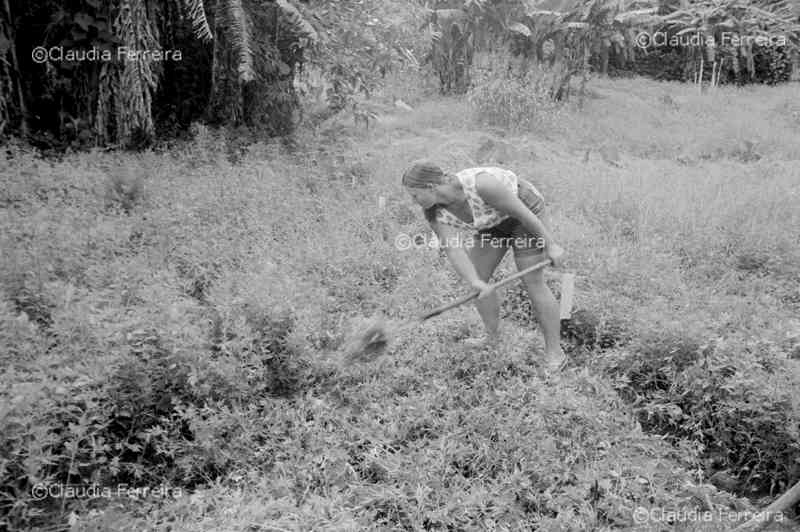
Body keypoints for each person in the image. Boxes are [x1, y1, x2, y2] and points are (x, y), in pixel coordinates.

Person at [401, 160, 566, 371]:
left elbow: (523, 214)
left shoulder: (482, 184)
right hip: (492, 221)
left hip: (524, 211)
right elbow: (453, 248)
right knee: (477, 279)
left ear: (430, 187)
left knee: (532, 281)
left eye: (414, 195)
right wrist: (475, 281)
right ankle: (493, 338)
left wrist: (551, 245)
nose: (413, 201)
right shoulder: (433, 211)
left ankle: (555, 352)